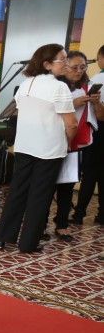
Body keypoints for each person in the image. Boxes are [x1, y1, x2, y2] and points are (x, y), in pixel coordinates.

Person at [0, 44, 77, 253]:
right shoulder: (59, 87)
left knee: (17, 192)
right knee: (40, 195)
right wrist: (67, 142)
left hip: (24, 146)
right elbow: (71, 124)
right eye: (62, 60)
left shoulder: (26, 84)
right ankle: (28, 243)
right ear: (47, 64)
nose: (65, 64)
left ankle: (2, 237)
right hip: (49, 149)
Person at [51, 51, 96, 242]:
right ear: (64, 67)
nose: (79, 71)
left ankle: (61, 225)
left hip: (75, 143)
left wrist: (94, 102)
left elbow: (93, 117)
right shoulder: (55, 87)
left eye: (83, 67)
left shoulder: (84, 88)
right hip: (53, 143)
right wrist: (73, 103)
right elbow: (49, 113)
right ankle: (39, 224)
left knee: (67, 186)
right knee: (47, 186)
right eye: (74, 67)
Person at [73, 44, 104, 226]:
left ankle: (79, 214)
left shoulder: (98, 79)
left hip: (98, 131)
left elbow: (98, 114)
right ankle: (101, 214)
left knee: (90, 174)